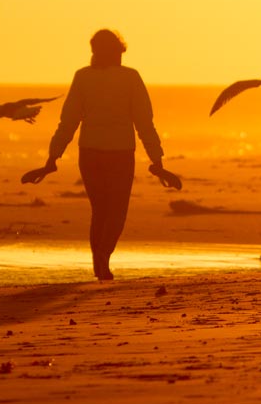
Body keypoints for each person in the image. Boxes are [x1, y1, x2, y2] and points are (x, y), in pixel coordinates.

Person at [22, 29, 180, 280]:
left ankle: (100, 264)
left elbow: (68, 122)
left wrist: (53, 157)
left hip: (90, 153)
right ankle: (103, 262)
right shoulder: (130, 78)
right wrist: (156, 159)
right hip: (119, 154)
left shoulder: (83, 78)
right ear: (117, 51)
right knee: (116, 212)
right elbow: (144, 122)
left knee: (100, 211)